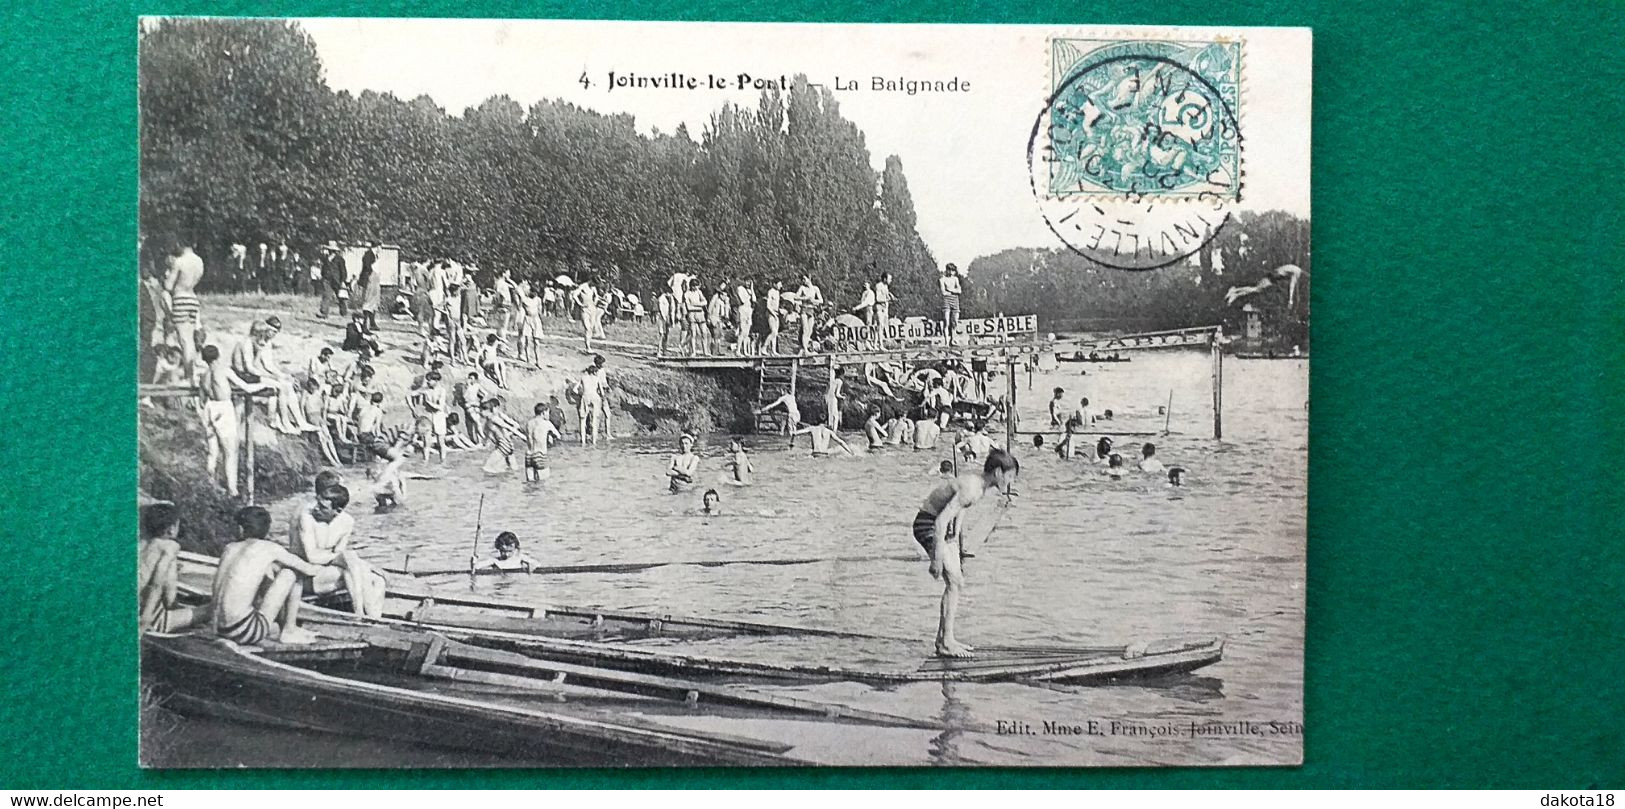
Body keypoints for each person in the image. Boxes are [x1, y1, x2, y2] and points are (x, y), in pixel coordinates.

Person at [912, 449, 1019, 658]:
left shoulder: (978, 486)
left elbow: (959, 511)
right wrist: (937, 558)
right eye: (1010, 476)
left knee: (957, 582)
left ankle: (943, 639)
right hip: (927, 525)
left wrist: (956, 546)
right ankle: (946, 642)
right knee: (953, 582)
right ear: (998, 472)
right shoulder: (972, 488)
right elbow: (940, 521)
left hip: (942, 527)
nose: (1011, 481)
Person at [214, 506, 325, 646]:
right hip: (244, 632)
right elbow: (309, 570)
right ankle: (289, 630)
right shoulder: (269, 548)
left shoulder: (229, 548)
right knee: (290, 573)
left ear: (241, 528)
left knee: (270, 568)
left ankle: (288, 628)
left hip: (218, 628)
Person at [290, 482, 386, 619]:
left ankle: (373, 617)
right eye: (318, 503)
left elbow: (339, 554)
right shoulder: (307, 518)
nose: (316, 509)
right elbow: (311, 557)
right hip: (308, 576)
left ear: (338, 511)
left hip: (332, 573)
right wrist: (346, 558)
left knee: (378, 580)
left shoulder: (347, 522)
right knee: (352, 563)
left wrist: (350, 560)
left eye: (323, 507)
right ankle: (360, 613)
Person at [197, 344, 271, 497]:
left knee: (213, 451)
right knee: (230, 451)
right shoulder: (224, 370)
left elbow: (201, 400)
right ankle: (232, 489)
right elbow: (247, 388)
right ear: (218, 356)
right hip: (223, 408)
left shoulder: (204, 375)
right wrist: (265, 384)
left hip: (209, 408)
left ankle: (210, 484)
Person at [138, 503, 202, 633]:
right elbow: (158, 584)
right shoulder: (169, 546)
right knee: (209, 610)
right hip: (149, 616)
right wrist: (145, 620)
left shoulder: (141, 544)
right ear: (171, 529)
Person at [163, 242, 206, 371]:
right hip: (192, 298)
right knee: (190, 339)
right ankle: (191, 372)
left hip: (180, 297)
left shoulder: (180, 261)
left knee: (185, 340)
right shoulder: (199, 261)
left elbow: (168, 286)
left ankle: (189, 375)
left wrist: (166, 279)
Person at [480, 397, 524, 471]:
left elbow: (508, 427)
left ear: (488, 410)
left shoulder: (493, 419)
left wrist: (523, 437)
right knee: (513, 468)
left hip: (503, 445)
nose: (480, 412)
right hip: (506, 445)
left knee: (487, 468)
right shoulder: (488, 422)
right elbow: (489, 436)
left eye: (482, 410)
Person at [523, 403, 562, 482]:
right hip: (540, 455)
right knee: (544, 484)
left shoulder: (529, 423)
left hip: (529, 455)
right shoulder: (546, 423)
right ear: (543, 413)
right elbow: (558, 436)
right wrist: (549, 436)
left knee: (530, 483)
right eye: (548, 413)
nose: (549, 415)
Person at [471, 531, 539, 572]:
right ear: (498, 549)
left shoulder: (519, 558)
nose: (506, 554)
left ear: (515, 549)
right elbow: (477, 567)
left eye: (509, 552)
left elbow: (536, 563)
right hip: (501, 584)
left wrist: (531, 566)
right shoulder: (495, 561)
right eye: (503, 551)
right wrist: (474, 562)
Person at [577, 362, 609, 446]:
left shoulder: (583, 377)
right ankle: (594, 441)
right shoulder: (597, 378)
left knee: (582, 420)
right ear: (594, 372)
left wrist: (581, 394)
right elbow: (602, 392)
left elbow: (574, 389)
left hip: (585, 396)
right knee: (595, 420)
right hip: (595, 397)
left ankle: (583, 441)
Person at [372, 442, 407, 509]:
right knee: (399, 505)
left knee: (381, 508)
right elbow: (402, 482)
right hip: (390, 490)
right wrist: (404, 495)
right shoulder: (396, 467)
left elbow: (374, 478)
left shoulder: (378, 467)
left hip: (379, 490)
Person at [795, 274, 824, 353]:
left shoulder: (815, 289)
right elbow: (796, 297)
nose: (803, 281)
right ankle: (805, 349)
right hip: (804, 309)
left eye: (805, 279)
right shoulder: (802, 288)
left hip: (811, 310)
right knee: (805, 329)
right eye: (802, 280)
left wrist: (813, 301)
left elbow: (821, 300)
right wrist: (805, 298)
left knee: (810, 330)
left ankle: (806, 346)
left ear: (809, 278)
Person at [518, 284, 545, 364]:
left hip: (536, 320)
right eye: (533, 292)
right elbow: (520, 309)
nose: (535, 294)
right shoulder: (524, 300)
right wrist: (519, 321)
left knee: (536, 342)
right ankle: (528, 360)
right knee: (527, 340)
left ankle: (538, 361)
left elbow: (540, 311)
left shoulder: (538, 300)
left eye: (536, 292)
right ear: (530, 291)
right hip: (527, 319)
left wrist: (540, 321)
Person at [939, 263, 963, 347]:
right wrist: (953, 291)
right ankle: (946, 342)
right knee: (946, 321)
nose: (951, 272)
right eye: (950, 270)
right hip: (946, 301)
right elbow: (943, 292)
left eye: (953, 270)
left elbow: (959, 290)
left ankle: (953, 339)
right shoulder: (942, 279)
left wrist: (950, 290)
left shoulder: (955, 279)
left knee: (955, 321)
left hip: (955, 300)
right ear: (947, 270)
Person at [684, 279, 709, 355]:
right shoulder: (687, 294)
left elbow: (705, 302)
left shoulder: (699, 292)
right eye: (694, 286)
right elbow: (689, 307)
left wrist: (695, 304)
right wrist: (699, 305)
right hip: (692, 314)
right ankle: (693, 352)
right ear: (691, 286)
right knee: (693, 334)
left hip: (700, 314)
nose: (696, 288)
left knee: (704, 333)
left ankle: (705, 351)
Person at [706, 285, 730, 354]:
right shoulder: (715, 299)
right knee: (715, 335)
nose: (725, 297)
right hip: (714, 318)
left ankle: (717, 350)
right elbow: (710, 309)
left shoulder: (723, 302)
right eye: (724, 295)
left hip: (719, 319)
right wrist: (709, 318)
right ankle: (714, 351)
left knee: (719, 335)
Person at [734, 280, 756, 355]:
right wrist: (748, 294)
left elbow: (754, 300)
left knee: (747, 332)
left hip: (749, 310)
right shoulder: (740, 288)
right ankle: (738, 350)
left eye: (749, 282)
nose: (748, 283)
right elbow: (742, 300)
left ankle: (745, 351)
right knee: (742, 331)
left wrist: (752, 289)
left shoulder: (750, 290)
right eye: (747, 281)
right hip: (743, 309)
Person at [873, 272, 893, 346]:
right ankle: (880, 344)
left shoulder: (886, 287)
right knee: (880, 326)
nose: (890, 281)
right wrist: (886, 300)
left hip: (885, 309)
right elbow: (878, 298)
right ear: (885, 279)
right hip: (879, 308)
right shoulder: (879, 286)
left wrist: (890, 297)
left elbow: (887, 296)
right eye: (889, 279)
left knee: (882, 326)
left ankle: (875, 344)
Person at [763, 280, 784, 354]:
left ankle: (773, 350)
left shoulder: (778, 293)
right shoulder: (770, 291)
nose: (780, 286)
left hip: (776, 313)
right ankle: (764, 347)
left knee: (775, 333)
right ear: (775, 284)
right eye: (779, 284)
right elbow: (768, 306)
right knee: (773, 331)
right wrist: (773, 314)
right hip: (771, 313)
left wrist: (780, 311)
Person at [824, 366, 845, 432]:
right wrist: (843, 397)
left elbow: (826, 392)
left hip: (828, 398)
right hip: (833, 398)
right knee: (835, 416)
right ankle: (834, 431)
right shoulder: (839, 381)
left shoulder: (832, 381)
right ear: (842, 374)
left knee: (830, 414)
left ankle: (830, 429)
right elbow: (837, 394)